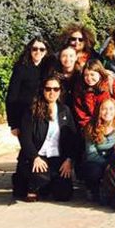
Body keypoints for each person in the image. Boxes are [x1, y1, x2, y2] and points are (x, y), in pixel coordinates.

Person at [12, 74, 79, 202]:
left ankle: (47, 186)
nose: (52, 92)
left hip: (57, 158)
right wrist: (34, 157)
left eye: (56, 89)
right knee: (41, 177)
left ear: (60, 91)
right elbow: (25, 138)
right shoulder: (32, 110)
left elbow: (72, 138)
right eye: (48, 89)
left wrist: (69, 160)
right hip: (37, 157)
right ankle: (31, 186)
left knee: (64, 195)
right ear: (42, 90)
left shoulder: (64, 110)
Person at [80, 97, 115, 201]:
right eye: (104, 109)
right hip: (96, 162)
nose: (107, 112)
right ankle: (93, 190)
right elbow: (91, 154)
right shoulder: (91, 127)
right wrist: (107, 165)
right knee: (94, 170)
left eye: (111, 109)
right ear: (99, 111)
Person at [5, 36, 52, 135]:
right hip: (24, 116)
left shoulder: (48, 68)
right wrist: (13, 124)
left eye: (42, 49)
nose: (38, 52)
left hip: (43, 116)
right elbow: (12, 96)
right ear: (30, 50)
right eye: (35, 49)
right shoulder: (20, 68)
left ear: (46, 51)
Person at [73, 59, 115, 131]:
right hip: (92, 127)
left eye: (92, 75)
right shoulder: (80, 88)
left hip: (111, 124)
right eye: (86, 75)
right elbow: (80, 110)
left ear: (100, 74)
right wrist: (90, 127)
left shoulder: (110, 83)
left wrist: (112, 121)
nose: (89, 78)